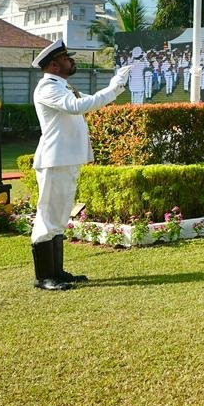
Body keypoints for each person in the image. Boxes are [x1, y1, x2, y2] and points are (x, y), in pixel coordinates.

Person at [30, 40, 133, 290]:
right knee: (49, 216)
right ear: (54, 65)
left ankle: (57, 272)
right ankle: (45, 277)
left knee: (60, 216)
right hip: (55, 161)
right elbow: (78, 107)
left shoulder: (62, 86)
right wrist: (114, 85)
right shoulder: (47, 88)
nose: (72, 61)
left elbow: (93, 101)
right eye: (67, 58)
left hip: (66, 160)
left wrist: (116, 88)